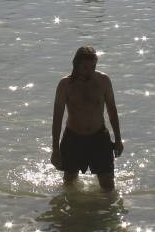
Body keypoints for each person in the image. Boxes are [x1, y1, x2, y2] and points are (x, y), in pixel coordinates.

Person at [51, 47, 123, 191]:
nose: (89, 71)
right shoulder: (65, 85)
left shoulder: (103, 81)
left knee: (108, 187)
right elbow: (57, 118)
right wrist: (56, 149)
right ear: (76, 64)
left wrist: (118, 139)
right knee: (69, 186)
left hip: (99, 138)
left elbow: (112, 111)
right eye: (85, 67)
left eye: (93, 67)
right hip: (73, 138)